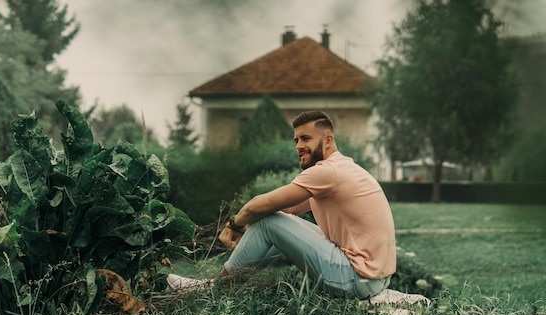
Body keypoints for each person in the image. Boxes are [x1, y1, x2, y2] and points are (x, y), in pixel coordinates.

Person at [167, 110, 396, 300]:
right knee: (274, 219)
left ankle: (213, 290)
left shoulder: (327, 172)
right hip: (373, 279)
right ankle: (232, 280)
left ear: (328, 140)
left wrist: (234, 225)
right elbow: (285, 210)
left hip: (356, 279)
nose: (298, 145)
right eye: (296, 140)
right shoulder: (343, 168)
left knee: (269, 220)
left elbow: (258, 205)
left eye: (306, 138)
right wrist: (253, 228)